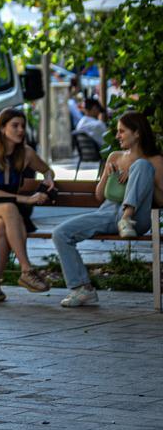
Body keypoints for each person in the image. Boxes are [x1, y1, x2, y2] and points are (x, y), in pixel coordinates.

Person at [54, 112, 163, 307]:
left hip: (138, 219)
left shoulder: (155, 161)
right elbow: (99, 196)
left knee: (142, 166)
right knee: (60, 233)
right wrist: (107, 173)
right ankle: (82, 289)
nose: (118, 136)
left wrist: (143, 177)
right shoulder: (115, 156)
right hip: (108, 212)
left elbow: (161, 200)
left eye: (122, 131)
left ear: (137, 133)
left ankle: (126, 217)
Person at [0, 108, 55, 304]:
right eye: (15, 126)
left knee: (3, 223)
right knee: (7, 209)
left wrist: (48, 179)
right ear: (2, 128)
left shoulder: (25, 153)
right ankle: (26, 269)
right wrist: (28, 199)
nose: (20, 130)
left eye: (23, 126)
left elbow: (47, 169)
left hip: (11, 215)